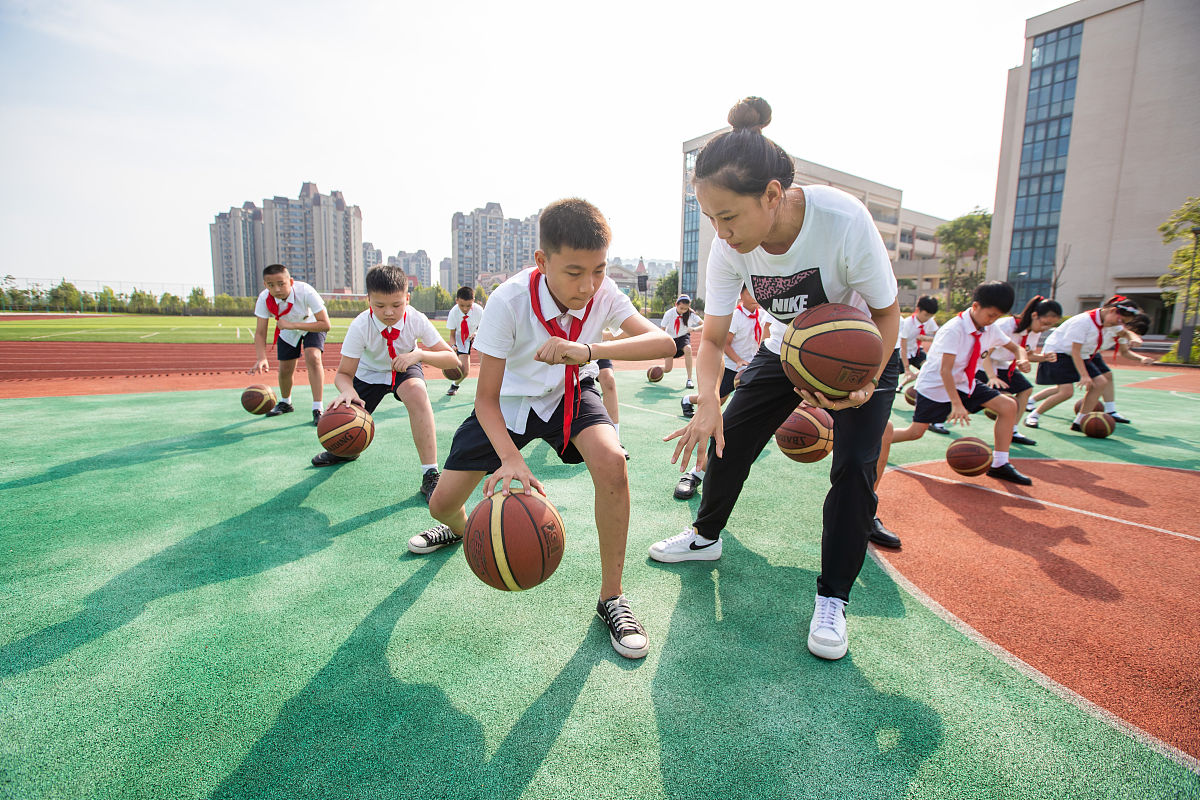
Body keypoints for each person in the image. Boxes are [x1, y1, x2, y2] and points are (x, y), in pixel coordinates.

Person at [647, 97, 902, 662]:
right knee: (728, 438)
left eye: (728, 217)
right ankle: (704, 537)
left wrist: (865, 384)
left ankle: (833, 598)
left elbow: (887, 315)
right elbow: (710, 340)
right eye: (709, 219)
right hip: (786, 346)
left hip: (860, 349)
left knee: (855, 467)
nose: (721, 232)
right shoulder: (727, 249)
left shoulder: (842, 221)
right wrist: (709, 399)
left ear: (771, 195)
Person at [408, 199, 675, 659]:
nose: (588, 285)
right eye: (574, 272)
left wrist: (585, 350)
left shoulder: (603, 291)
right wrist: (511, 459)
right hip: (507, 407)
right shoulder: (508, 301)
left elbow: (664, 342)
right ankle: (463, 529)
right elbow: (485, 400)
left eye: (598, 269)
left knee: (613, 463)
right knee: (440, 505)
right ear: (541, 261)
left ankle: (612, 597)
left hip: (568, 393)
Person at [312, 266, 460, 505]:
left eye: (397, 305)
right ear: (368, 299)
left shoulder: (415, 318)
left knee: (417, 393)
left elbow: (452, 359)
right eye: (379, 306)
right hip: (369, 374)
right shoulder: (360, 326)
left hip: (405, 366)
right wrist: (348, 390)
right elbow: (343, 374)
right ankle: (344, 450)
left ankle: (430, 474)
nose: (389, 312)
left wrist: (419, 354)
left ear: (407, 299)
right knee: (345, 420)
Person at [879, 281, 1033, 486]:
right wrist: (957, 404)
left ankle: (1000, 464)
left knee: (1008, 405)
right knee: (915, 432)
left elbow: (1016, 348)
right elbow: (945, 370)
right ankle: (876, 443)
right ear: (976, 306)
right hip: (935, 387)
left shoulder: (990, 328)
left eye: (998, 316)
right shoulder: (954, 329)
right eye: (991, 315)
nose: (993, 320)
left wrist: (1022, 358)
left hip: (964, 382)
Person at [674, 285, 771, 499]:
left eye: (758, 292)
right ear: (741, 294)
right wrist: (738, 362)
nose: (755, 296)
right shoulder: (735, 315)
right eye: (750, 292)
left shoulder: (763, 314)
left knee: (730, 412)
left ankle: (702, 473)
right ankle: (697, 472)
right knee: (718, 408)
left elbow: (765, 340)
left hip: (752, 369)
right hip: (730, 367)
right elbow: (723, 344)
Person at [1024, 295, 1140, 432]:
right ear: (1112, 311)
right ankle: (1034, 415)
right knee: (1066, 392)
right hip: (1058, 352)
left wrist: (1134, 337)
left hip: (1082, 354)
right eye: (1120, 320)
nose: (1119, 324)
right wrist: (1084, 375)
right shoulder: (1084, 321)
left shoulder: (1113, 322)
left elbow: (1124, 333)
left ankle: (1080, 422)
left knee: (1101, 382)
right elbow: (1075, 351)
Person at [248, 264, 332, 425]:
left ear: (291, 281)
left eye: (281, 283)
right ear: (265, 285)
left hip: (312, 324)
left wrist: (292, 325)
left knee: (313, 357)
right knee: (285, 368)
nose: (277, 289)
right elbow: (260, 332)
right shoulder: (264, 299)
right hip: (287, 328)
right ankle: (286, 402)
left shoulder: (306, 291)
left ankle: (318, 408)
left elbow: (325, 324)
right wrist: (261, 358)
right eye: (271, 285)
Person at [978, 295, 1062, 446]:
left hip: (1002, 364)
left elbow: (1027, 354)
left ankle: (1012, 430)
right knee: (1005, 400)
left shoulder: (1034, 332)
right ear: (1034, 315)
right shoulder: (1005, 326)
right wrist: (991, 377)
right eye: (1045, 323)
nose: (1046, 328)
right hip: (982, 364)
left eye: (1050, 326)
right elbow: (985, 355)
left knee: (1025, 389)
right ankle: (936, 419)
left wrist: (1043, 358)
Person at [445, 286, 483, 396]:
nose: (465, 309)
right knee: (465, 371)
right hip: (461, 338)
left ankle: (486, 391)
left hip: (477, 335)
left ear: (473, 301)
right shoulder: (453, 312)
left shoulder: (479, 310)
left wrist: (476, 333)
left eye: (469, 305)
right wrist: (453, 346)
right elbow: (452, 335)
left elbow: (484, 328)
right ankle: (455, 385)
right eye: (462, 305)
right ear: (456, 301)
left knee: (486, 365)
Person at [659, 295, 704, 388]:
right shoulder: (669, 313)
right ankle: (655, 369)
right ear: (676, 304)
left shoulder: (691, 314)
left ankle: (689, 379)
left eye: (686, 309)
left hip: (683, 337)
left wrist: (695, 329)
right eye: (681, 308)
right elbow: (662, 329)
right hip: (670, 339)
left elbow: (705, 325)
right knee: (668, 369)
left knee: (688, 348)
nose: (683, 311)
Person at [898, 295, 939, 389]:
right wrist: (907, 368)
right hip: (902, 355)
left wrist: (927, 338)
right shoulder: (907, 324)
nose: (928, 318)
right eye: (926, 315)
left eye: (931, 316)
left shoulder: (930, 321)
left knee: (929, 368)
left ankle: (903, 385)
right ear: (918, 310)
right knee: (888, 377)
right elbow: (903, 348)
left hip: (917, 352)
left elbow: (940, 338)